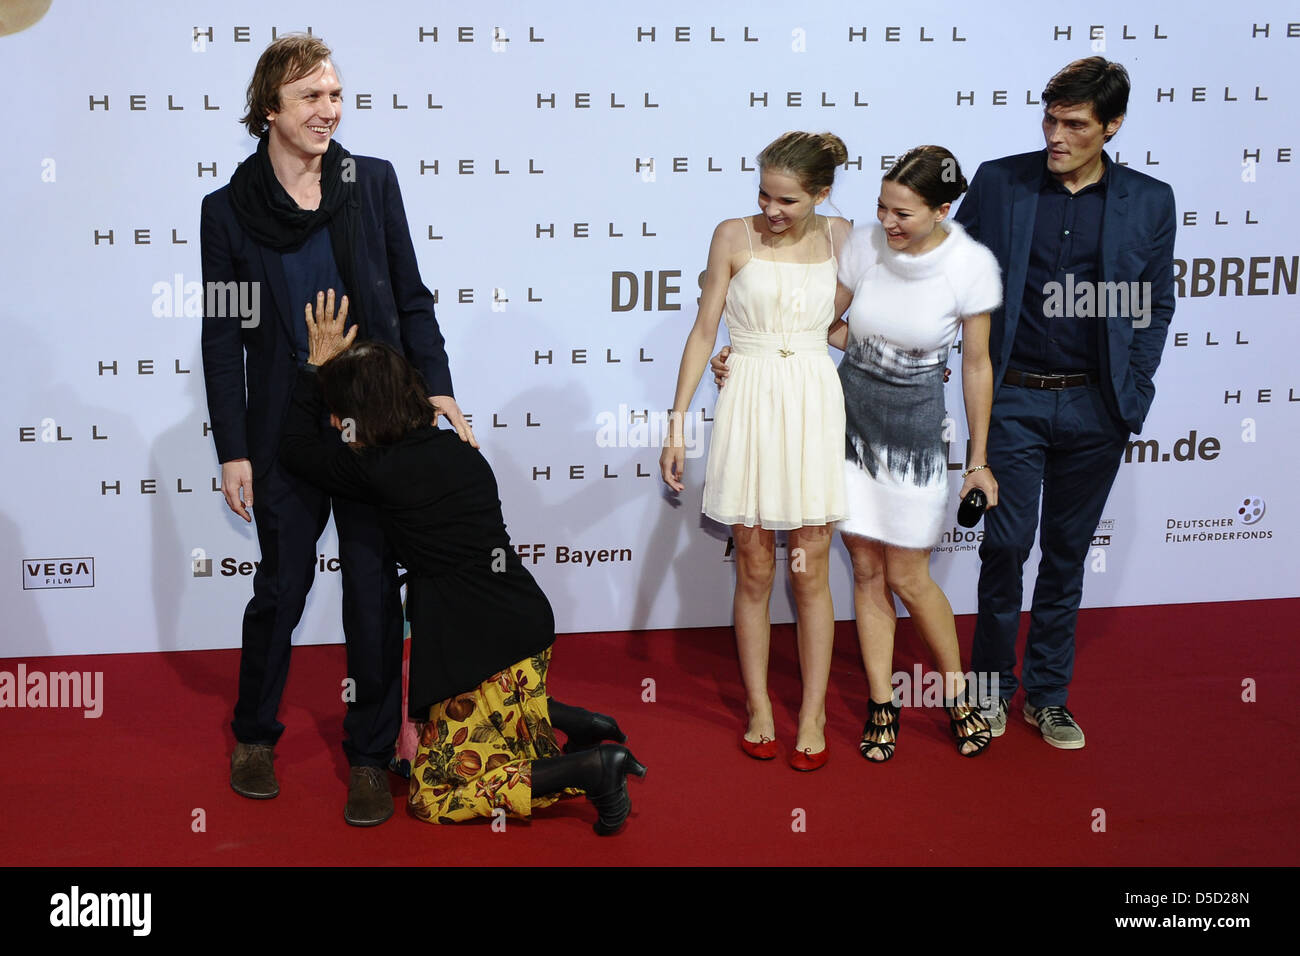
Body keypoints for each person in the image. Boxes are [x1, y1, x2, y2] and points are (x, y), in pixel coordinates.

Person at [200, 33, 474, 825]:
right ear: (269, 111)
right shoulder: (229, 213)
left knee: (371, 598)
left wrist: (440, 390)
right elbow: (224, 338)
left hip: (375, 419)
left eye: (335, 94)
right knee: (280, 592)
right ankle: (254, 736)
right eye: (311, 98)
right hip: (286, 424)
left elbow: (412, 299)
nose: (330, 111)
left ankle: (368, 753)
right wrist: (234, 448)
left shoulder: (369, 184)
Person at [279, 291, 647, 835]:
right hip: (524, 622)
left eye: (341, 411)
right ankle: (569, 721)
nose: (335, 422)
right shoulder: (459, 449)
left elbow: (292, 447)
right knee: (498, 740)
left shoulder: (376, 469)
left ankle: (594, 768)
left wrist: (314, 367)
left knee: (433, 795)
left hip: (472, 643)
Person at [713, 147, 1002, 760]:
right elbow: (814, 322)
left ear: (941, 210)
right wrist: (746, 354)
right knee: (866, 571)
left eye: (903, 212)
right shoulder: (863, 246)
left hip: (918, 435)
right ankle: (880, 703)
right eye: (880, 207)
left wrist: (978, 458)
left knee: (908, 575)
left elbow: (977, 365)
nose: (887, 222)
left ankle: (958, 696)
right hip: (844, 422)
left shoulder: (971, 266)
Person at [953, 57, 1176, 748]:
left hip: (1096, 409)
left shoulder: (1150, 199)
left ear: (1111, 126)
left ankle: (1047, 696)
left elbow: (1154, 302)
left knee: (1068, 554)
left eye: (1074, 124)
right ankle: (990, 691)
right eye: (1050, 120)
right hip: (1014, 396)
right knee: (1005, 547)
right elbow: (948, 275)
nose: (1056, 135)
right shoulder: (999, 182)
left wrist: (1132, 392)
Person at [660, 131, 852, 771]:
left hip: (813, 403)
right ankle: (759, 707)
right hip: (747, 400)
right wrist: (678, 420)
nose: (772, 210)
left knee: (812, 567)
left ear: (821, 194)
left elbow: (844, 330)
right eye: (764, 195)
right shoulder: (731, 235)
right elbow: (704, 327)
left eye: (788, 201)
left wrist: (913, 355)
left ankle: (816, 712)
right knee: (753, 563)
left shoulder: (846, 238)